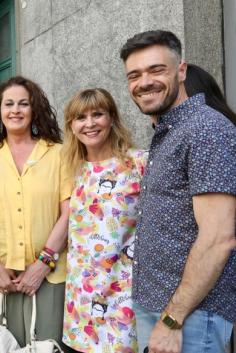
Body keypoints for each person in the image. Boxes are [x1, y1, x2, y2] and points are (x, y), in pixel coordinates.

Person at [120, 30, 236, 353]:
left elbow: (218, 238)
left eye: (157, 70)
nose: (145, 82)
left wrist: (172, 319)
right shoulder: (169, 131)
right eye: (135, 75)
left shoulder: (205, 129)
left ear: (181, 71)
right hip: (163, 308)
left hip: (191, 317)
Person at [0, 76, 72, 351]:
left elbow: (68, 212)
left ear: (34, 109)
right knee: (9, 342)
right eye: (9, 103)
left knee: (48, 343)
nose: (15, 110)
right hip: (2, 271)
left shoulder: (58, 154)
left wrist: (43, 263)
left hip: (49, 271)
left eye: (23, 104)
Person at [61, 88, 146, 352]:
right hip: (81, 296)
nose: (89, 123)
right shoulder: (71, 169)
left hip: (124, 293)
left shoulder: (139, 163)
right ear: (71, 126)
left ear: (111, 118)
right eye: (80, 117)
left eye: (97, 114)